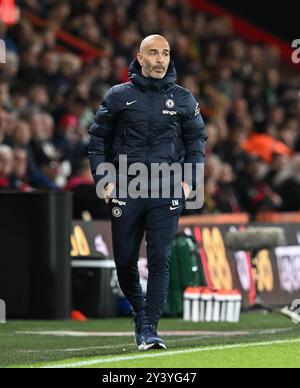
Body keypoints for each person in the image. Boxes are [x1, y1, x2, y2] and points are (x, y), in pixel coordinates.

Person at [89, 35, 207, 350]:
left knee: (160, 258)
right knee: (124, 259)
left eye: (165, 53)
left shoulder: (184, 99)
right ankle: (140, 312)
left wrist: (188, 183)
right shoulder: (118, 96)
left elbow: (197, 143)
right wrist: (105, 180)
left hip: (167, 188)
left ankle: (150, 329)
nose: (160, 59)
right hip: (126, 186)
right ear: (139, 58)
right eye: (153, 53)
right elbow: (97, 139)